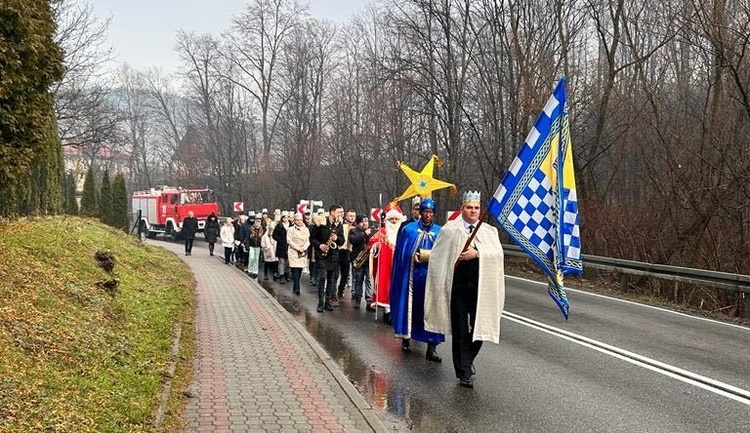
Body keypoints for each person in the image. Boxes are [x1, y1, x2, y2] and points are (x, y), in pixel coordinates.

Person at [424, 191, 505, 389]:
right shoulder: (450, 230)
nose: (473, 211)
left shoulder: (488, 231)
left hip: (480, 289)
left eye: (476, 208)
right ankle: (464, 372)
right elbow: (438, 257)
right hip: (457, 289)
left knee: (480, 329)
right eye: (469, 208)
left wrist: (478, 253)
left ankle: (466, 358)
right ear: (462, 209)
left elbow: (498, 254)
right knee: (460, 331)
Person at [389, 198, 444, 362]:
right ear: (420, 213)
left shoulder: (439, 231)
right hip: (412, 277)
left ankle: (432, 347)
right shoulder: (409, 230)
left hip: (431, 279)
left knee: (431, 311)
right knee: (410, 308)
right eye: (425, 212)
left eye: (430, 213)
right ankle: (406, 338)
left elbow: (443, 253)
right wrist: (412, 255)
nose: (428, 215)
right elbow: (401, 253)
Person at [368, 204, 404, 321]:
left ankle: (396, 311)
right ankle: (388, 311)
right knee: (386, 286)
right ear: (386, 219)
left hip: (400, 266)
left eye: (396, 219)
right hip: (386, 266)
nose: (394, 221)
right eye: (391, 219)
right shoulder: (382, 232)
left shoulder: (404, 232)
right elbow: (371, 242)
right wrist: (375, 246)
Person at [310, 205, 345, 312]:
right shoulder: (321, 222)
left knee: (331, 279)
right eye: (339, 212)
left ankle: (327, 302)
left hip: (333, 255)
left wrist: (337, 238)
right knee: (322, 278)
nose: (340, 214)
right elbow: (312, 238)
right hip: (322, 255)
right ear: (332, 212)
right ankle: (320, 303)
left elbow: (342, 240)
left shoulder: (339, 225)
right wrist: (320, 245)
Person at [348, 214, 374, 310]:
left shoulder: (372, 231)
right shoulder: (353, 231)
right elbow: (353, 240)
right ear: (358, 223)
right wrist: (364, 234)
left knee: (369, 281)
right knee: (358, 280)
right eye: (363, 222)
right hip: (358, 260)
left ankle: (369, 301)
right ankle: (357, 299)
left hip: (368, 260)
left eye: (366, 221)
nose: (365, 224)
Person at [287, 212, 310, 295]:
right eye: (297, 220)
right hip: (293, 251)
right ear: (295, 221)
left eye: (300, 220)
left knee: (300, 269)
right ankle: (297, 287)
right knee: (295, 269)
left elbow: (308, 241)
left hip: (302, 251)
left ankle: (296, 285)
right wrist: (297, 248)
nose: (299, 222)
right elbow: (289, 240)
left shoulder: (306, 229)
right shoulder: (290, 229)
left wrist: (303, 248)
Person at [336, 209, 357, 303]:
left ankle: (341, 291)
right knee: (336, 273)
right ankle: (333, 291)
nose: (352, 218)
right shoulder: (342, 226)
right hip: (340, 250)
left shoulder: (356, 228)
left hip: (350, 251)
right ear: (346, 217)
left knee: (346, 274)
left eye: (353, 216)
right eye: (350, 216)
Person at [273, 212, 291, 283]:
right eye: (284, 218)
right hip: (281, 246)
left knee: (288, 262)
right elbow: (274, 235)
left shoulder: (291, 226)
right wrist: (280, 240)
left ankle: (287, 273)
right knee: (281, 262)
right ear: (282, 218)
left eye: (287, 218)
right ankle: (281, 275)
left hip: (289, 246)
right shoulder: (279, 226)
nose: (286, 219)